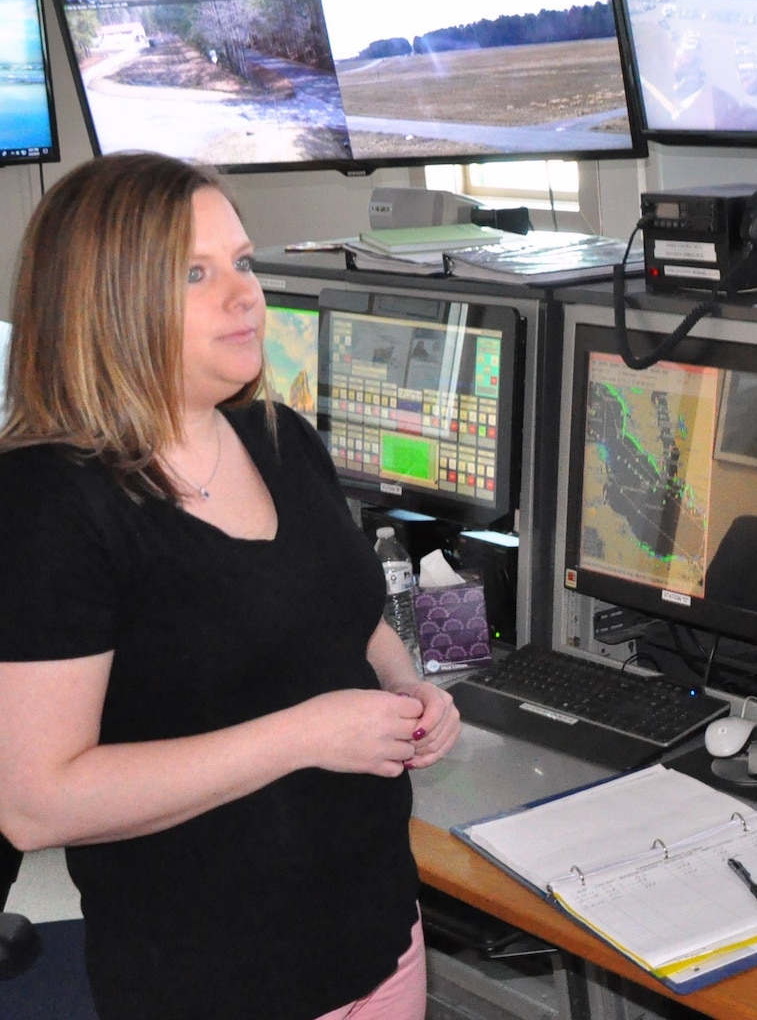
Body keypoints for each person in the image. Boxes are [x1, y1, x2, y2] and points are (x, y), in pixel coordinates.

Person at [0, 152, 462, 1020]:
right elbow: (34, 801)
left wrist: (407, 687)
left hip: (378, 936)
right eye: (194, 273)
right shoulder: (46, 503)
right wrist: (302, 735)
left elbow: (344, 612)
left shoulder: (277, 436)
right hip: (213, 980)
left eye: (243, 262)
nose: (244, 294)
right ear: (109, 301)